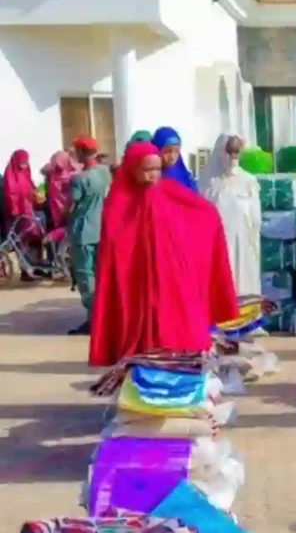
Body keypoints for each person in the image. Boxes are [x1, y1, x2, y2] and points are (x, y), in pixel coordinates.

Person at [88, 142, 238, 367]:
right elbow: (113, 244)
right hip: (135, 278)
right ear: (132, 169)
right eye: (147, 169)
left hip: (168, 274)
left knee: (173, 320)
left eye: (157, 169)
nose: (153, 175)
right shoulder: (119, 202)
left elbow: (201, 213)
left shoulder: (170, 191)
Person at [198, 134, 262, 297]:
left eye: (236, 152)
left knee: (244, 285)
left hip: (244, 243)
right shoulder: (209, 182)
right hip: (219, 243)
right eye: (229, 152)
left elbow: (255, 219)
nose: (232, 158)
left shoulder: (248, 181)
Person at [66, 135, 111, 335]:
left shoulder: (79, 179)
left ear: (81, 152)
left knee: (86, 277)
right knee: (101, 275)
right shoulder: (105, 173)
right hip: (102, 229)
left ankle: (94, 320)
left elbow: (70, 206)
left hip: (83, 232)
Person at [2, 150, 45, 277]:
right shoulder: (10, 173)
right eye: (21, 161)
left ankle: (37, 265)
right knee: (20, 241)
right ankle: (25, 270)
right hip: (16, 214)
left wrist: (36, 195)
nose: (24, 163)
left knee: (35, 238)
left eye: (26, 161)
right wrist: (15, 210)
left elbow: (31, 186)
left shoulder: (26, 171)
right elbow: (10, 193)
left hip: (28, 211)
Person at [152, 126, 197, 191]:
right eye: (168, 152)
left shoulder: (184, 176)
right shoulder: (150, 177)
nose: (172, 157)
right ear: (157, 150)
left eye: (176, 151)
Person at [45, 150, 77, 231]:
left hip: (67, 206)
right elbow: (43, 170)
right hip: (55, 206)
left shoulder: (73, 175)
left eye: (59, 162)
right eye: (55, 162)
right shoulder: (52, 173)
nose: (57, 165)